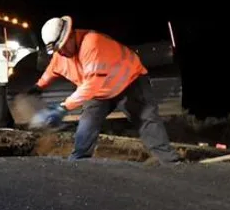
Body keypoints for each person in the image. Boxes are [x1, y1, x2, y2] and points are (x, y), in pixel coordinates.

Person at [28, 15, 181, 164]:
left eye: (61, 47)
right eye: (57, 50)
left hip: (130, 82)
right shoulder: (61, 54)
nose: (61, 52)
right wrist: (39, 86)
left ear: (71, 35)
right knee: (87, 122)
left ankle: (171, 163)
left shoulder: (92, 42)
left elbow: (92, 83)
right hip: (100, 91)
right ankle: (78, 162)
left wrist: (63, 107)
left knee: (146, 119)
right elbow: (52, 70)